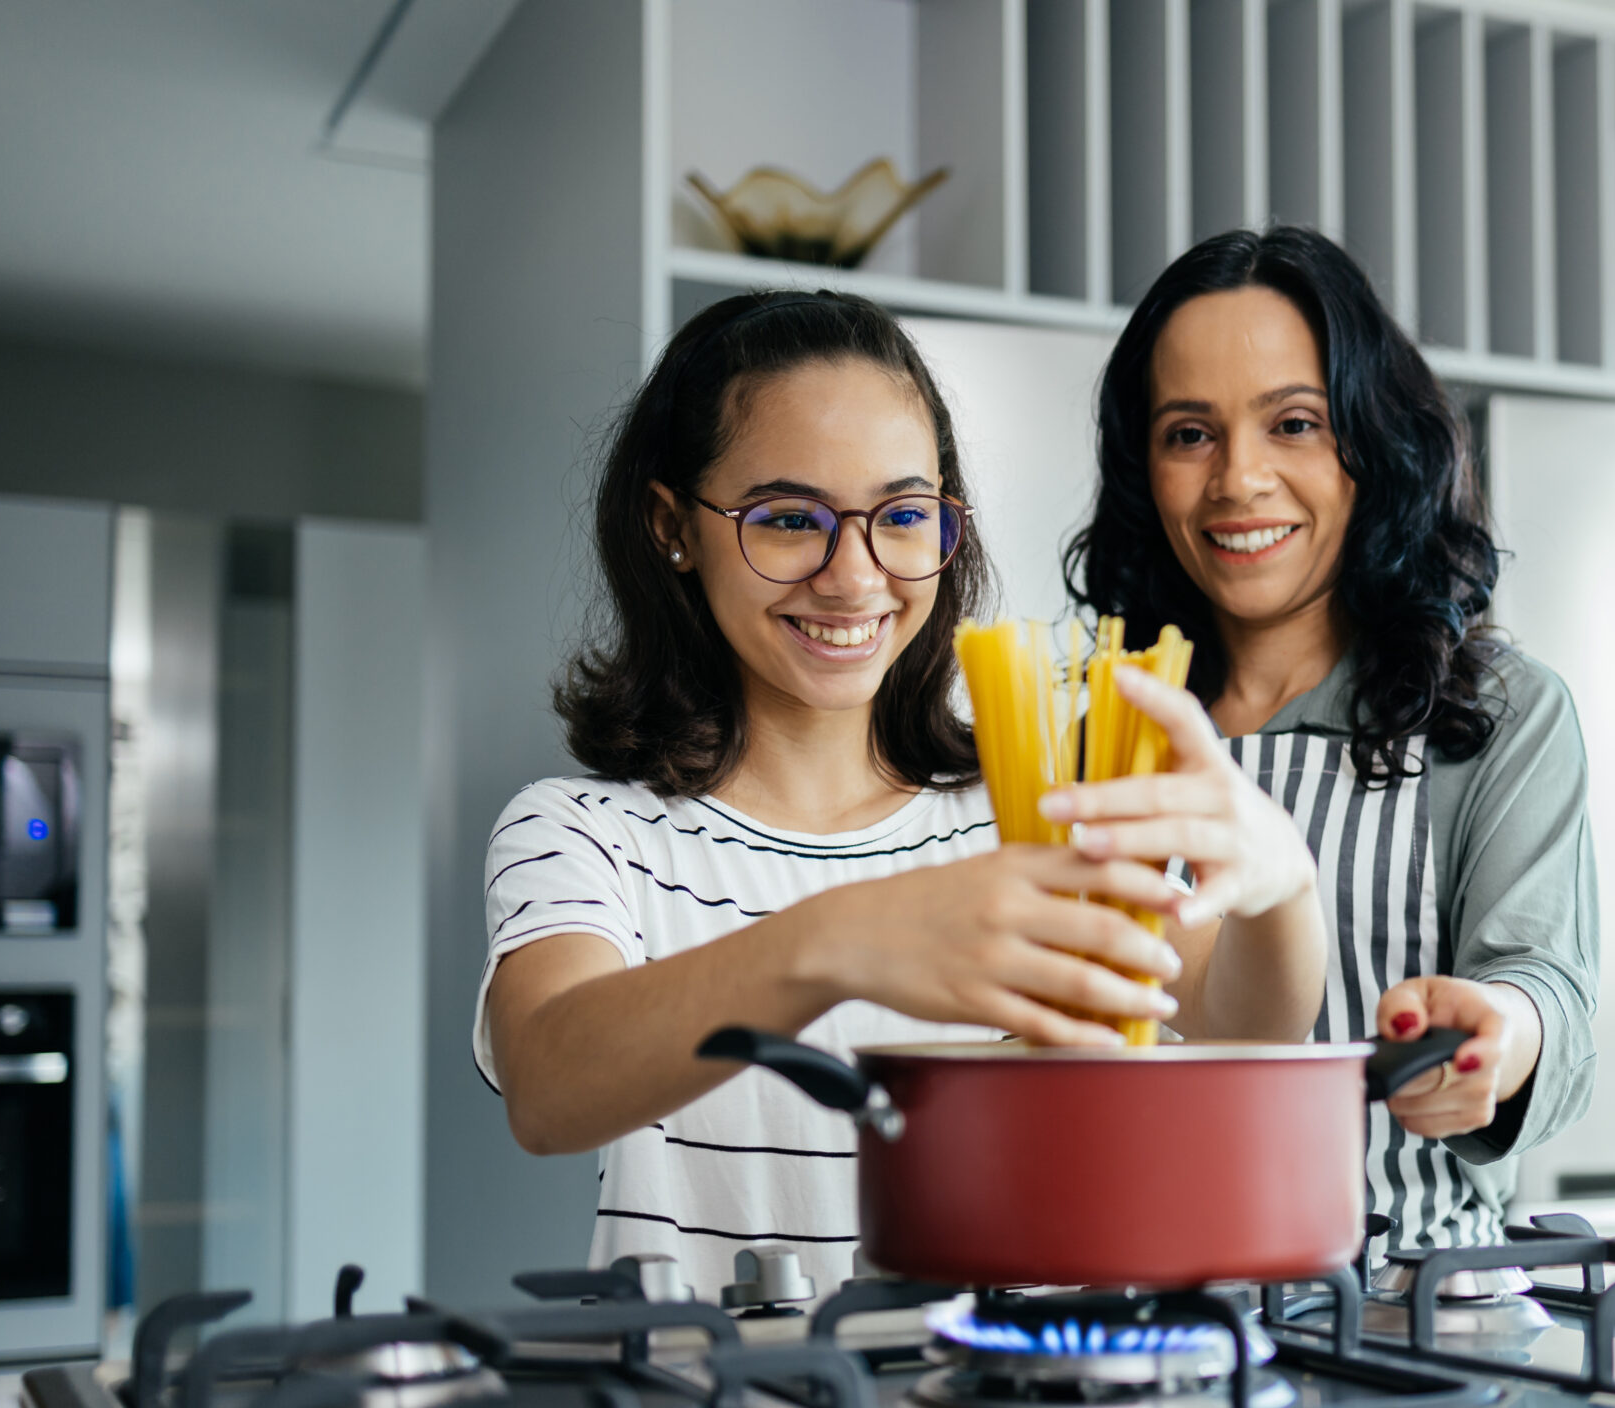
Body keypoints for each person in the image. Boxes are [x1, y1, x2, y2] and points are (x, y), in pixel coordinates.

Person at [477, 290, 1324, 1300]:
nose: (855, 574)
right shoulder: (587, 833)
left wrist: (1281, 886)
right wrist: (837, 940)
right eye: (789, 519)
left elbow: (1244, 1022)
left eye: (903, 517)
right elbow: (549, 1085)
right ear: (673, 528)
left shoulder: (1023, 809)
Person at [1057, 228, 1599, 1257]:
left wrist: (1498, 1036)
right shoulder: (1108, 730)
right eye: (1188, 434)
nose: (1237, 480)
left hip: (1412, 1311)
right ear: (1143, 468)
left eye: (1293, 424)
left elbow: (1543, 981)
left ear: (1370, 443)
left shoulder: (1498, 715)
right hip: (1150, 1306)